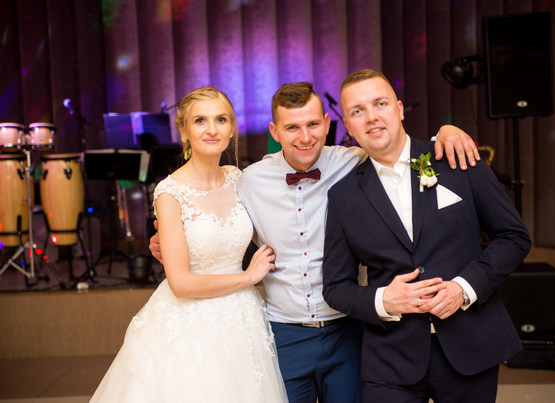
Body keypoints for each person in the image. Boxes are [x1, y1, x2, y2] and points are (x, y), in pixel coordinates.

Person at [150, 81, 479, 402]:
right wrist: (172, 237)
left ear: (327, 124)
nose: (305, 137)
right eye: (292, 127)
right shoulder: (248, 180)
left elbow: (398, 148)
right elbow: (210, 212)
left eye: (312, 125)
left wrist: (445, 132)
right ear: (274, 132)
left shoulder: (354, 162)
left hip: (347, 329)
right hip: (283, 332)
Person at [321, 69, 532, 402]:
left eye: (380, 104)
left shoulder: (456, 157)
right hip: (390, 359)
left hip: (471, 342)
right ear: (348, 125)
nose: (372, 117)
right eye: (358, 111)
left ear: (399, 109)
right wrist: (383, 300)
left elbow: (513, 237)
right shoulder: (343, 196)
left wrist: (463, 288)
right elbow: (335, 287)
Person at [92, 87, 288, 402]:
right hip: (191, 323)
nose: (212, 129)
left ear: (232, 128)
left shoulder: (237, 178)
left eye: (221, 119)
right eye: (200, 121)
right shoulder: (170, 193)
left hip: (243, 318)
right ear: (184, 131)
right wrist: (248, 277)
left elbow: (264, 235)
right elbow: (181, 284)